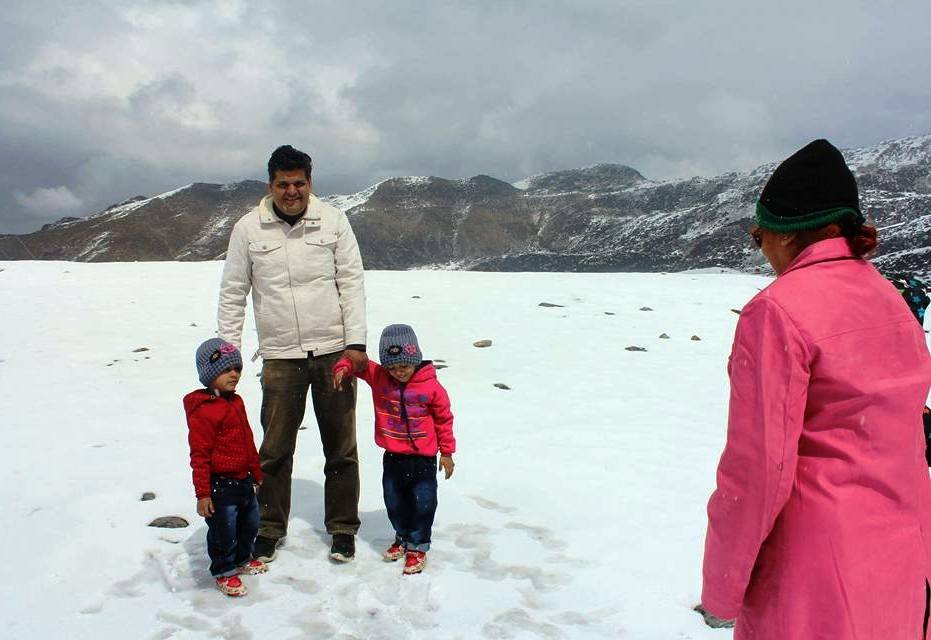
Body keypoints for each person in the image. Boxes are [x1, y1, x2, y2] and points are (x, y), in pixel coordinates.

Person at [698, 139, 931, 638]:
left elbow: (757, 470)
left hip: (815, 572)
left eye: (758, 236)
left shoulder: (776, 312)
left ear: (785, 235)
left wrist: (722, 588)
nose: (762, 252)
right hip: (905, 561)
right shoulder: (886, 297)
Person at [217, 145, 368, 564]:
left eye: (299, 183)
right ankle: (268, 528)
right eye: (283, 184)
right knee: (274, 450)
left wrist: (355, 344)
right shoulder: (249, 229)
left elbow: (351, 282)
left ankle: (342, 527)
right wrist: (228, 353)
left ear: (310, 183)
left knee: (341, 447)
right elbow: (233, 292)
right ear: (271, 185)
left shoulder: (334, 221)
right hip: (280, 354)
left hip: (333, 351)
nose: (291, 192)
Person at [333, 324, 456, 574]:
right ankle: (402, 536)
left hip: (423, 460)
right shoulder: (381, 377)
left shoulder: (431, 387)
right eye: (392, 367)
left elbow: (444, 420)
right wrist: (343, 367)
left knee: (423, 503)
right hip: (393, 457)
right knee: (394, 500)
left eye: (404, 366)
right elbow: (358, 363)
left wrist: (447, 453)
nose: (399, 372)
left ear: (415, 359)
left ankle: (418, 545)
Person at [184, 338, 267, 597]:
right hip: (220, 485)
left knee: (249, 524)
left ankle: (242, 559)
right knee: (224, 531)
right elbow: (200, 455)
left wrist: (256, 470)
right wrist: (203, 494)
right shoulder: (204, 411)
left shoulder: (236, 401)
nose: (234, 374)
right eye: (226, 369)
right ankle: (223, 569)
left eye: (237, 369)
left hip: (243, 481)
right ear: (209, 374)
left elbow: (247, 439)